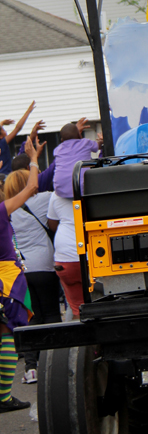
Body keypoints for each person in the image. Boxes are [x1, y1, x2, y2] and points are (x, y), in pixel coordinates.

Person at [9, 159, 61, 384]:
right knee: (51, 314)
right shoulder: (42, 199)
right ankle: (56, 363)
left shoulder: (7, 209)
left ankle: (31, 368)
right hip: (45, 265)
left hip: (21, 268)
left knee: (31, 317)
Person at [48, 120, 102, 319]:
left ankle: (80, 348)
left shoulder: (55, 194)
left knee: (77, 309)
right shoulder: (94, 195)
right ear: (80, 136)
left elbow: (51, 223)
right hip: (89, 258)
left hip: (63, 257)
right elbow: (98, 147)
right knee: (99, 306)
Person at [0, 137, 38, 412]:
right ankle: (3, 398)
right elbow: (33, 185)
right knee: (7, 335)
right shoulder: (2, 210)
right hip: (7, 281)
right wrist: (33, 159)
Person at [0, 101, 35, 176]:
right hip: (5, 176)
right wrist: (28, 112)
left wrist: (2, 123)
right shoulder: (2, 142)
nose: (5, 131)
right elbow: (18, 128)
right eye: (3, 130)